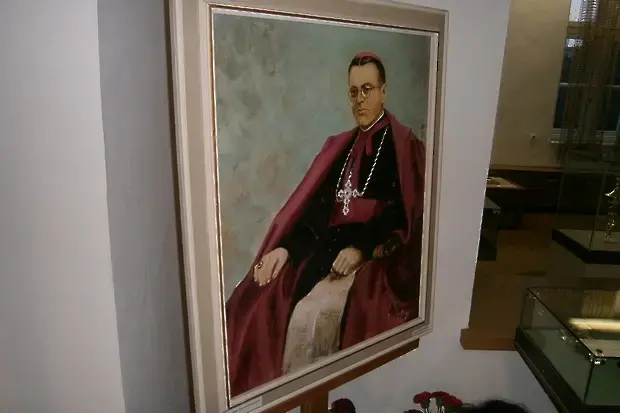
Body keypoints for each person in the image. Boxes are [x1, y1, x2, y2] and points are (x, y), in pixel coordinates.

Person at [225, 51, 426, 397]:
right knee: (260, 299)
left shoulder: (404, 146)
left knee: (314, 314)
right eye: (353, 92)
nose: (359, 99)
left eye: (367, 89)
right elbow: (316, 212)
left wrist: (362, 249)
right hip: (324, 248)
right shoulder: (340, 147)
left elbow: (402, 216)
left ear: (384, 92)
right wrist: (286, 249)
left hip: (375, 254)